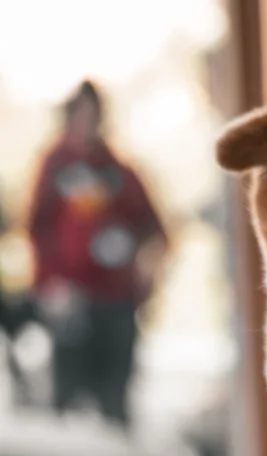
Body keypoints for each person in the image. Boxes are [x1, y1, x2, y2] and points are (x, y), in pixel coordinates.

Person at [28, 81, 165, 425]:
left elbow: (154, 231)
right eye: (81, 116)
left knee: (115, 400)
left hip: (115, 300)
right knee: (66, 402)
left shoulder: (119, 172)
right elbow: (36, 229)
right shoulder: (54, 167)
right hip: (72, 300)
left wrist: (147, 272)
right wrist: (50, 285)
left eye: (94, 115)